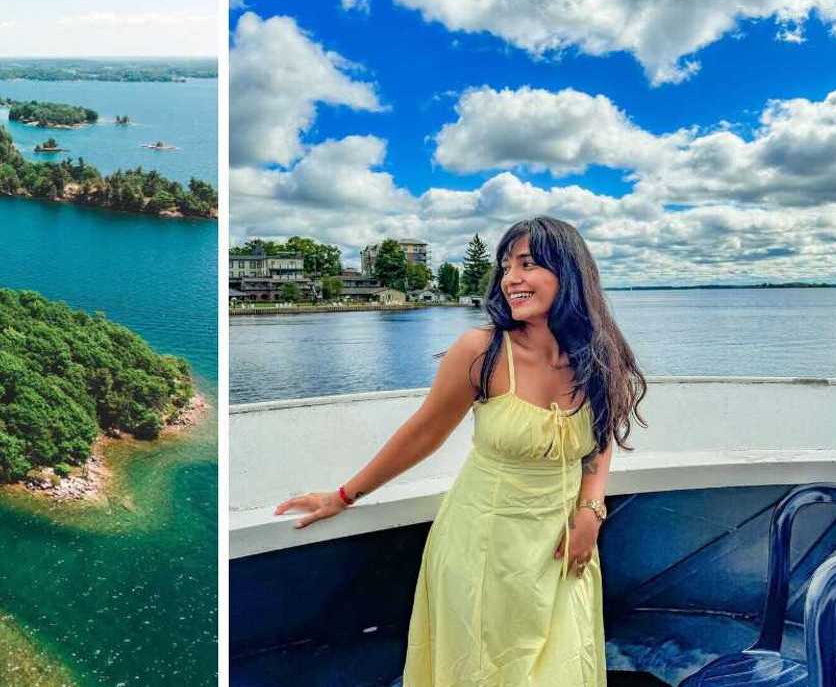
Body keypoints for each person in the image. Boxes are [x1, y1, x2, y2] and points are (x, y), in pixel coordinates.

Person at [274, 216, 647, 686]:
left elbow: (600, 436)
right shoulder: (483, 351)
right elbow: (423, 433)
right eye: (506, 266)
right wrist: (343, 496)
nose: (511, 278)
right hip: (483, 551)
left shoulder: (597, 354)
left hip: (563, 548)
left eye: (528, 264)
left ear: (569, 272)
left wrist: (591, 510)